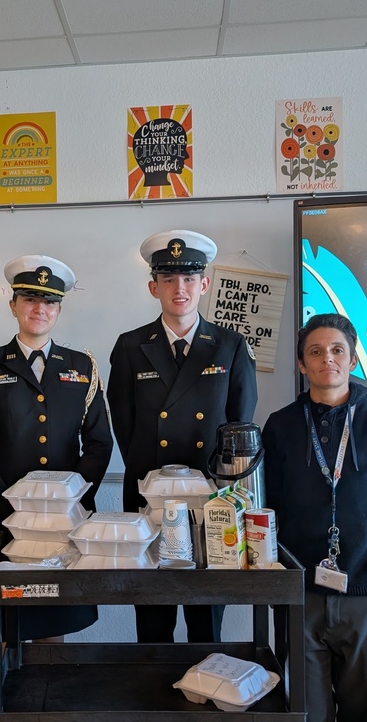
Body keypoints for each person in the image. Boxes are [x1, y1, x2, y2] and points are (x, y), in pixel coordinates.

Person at [262, 313, 367, 722]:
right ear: (302, 364)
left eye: (338, 350)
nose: (327, 360)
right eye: (315, 352)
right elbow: (265, 511)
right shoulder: (280, 426)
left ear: (352, 360)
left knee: (363, 708)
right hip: (299, 591)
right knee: (305, 709)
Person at [108, 229, 258, 643]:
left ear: (204, 284)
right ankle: (153, 696)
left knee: (205, 613)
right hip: (149, 492)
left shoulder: (229, 345)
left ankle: (203, 695)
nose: (180, 289)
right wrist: (151, 480)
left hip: (210, 498)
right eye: (169, 279)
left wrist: (219, 491)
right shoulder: (130, 346)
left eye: (189, 278)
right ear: (153, 286)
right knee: (152, 606)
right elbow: (125, 423)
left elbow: (238, 430)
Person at [0, 254, 112, 640]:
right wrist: (7, 500)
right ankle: (8, 696)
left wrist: (72, 498)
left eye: (49, 301)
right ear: (13, 305)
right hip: (6, 517)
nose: (39, 309)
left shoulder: (82, 366)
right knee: (9, 617)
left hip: (65, 519)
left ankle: (50, 690)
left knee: (55, 615)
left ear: (59, 309)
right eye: (29, 299)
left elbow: (99, 442)